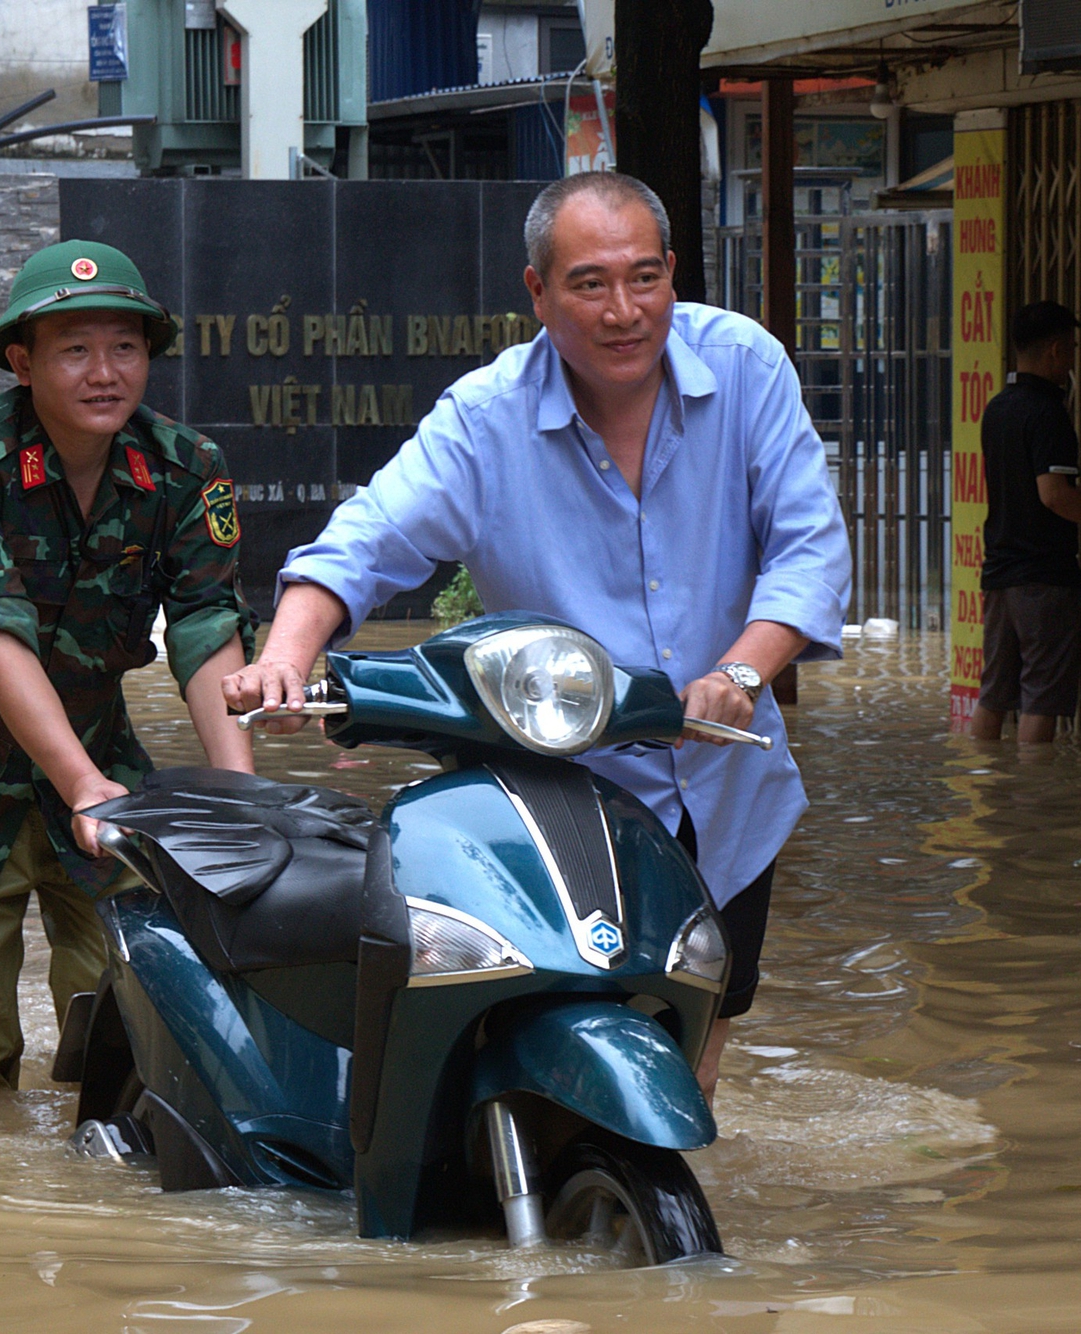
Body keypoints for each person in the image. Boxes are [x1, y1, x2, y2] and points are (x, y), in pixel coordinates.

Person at [222, 172, 850, 1096]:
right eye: (590, 284)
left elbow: (811, 550)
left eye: (645, 278)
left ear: (674, 273)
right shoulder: (486, 417)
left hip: (725, 779)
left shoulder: (747, 368)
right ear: (538, 292)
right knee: (511, 1026)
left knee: (696, 1057)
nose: (624, 311)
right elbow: (363, 542)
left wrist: (740, 675)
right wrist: (285, 656)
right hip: (551, 794)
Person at [0, 240, 257, 1103]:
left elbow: (203, 625)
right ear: (21, 361)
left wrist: (242, 799)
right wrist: (80, 785)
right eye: (74, 350)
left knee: (129, 1022)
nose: (104, 372)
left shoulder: (187, 471)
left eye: (125, 347)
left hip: (101, 772)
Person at [973, 301, 1081, 745]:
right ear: (1054, 350)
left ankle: (988, 797)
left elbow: (1033, 489)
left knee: (993, 694)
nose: (1073, 359)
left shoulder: (999, 408)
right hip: (1043, 579)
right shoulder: (1047, 412)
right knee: (1041, 697)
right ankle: (1035, 804)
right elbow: (1053, 496)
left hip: (1000, 575)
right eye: (1071, 349)